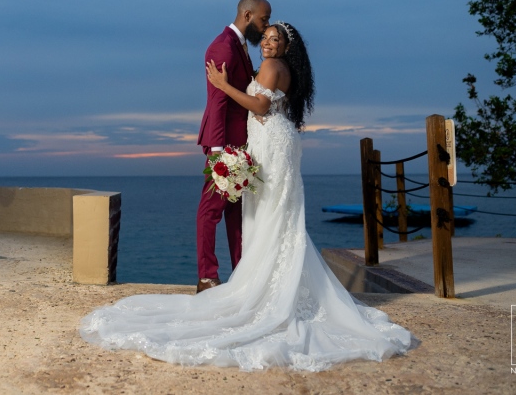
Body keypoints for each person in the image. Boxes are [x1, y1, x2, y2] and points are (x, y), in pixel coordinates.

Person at [79, 22, 414, 371]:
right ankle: (269, 282)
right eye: (265, 38)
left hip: (271, 144)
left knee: (269, 214)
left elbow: (260, 106)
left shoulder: (272, 67)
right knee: (274, 215)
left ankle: (264, 289)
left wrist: (223, 85)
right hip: (272, 143)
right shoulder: (277, 67)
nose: (267, 43)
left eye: (275, 39)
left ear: (286, 46)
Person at [195, 0, 271, 293]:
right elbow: (218, 103)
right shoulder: (223, 47)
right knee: (210, 210)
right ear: (248, 15)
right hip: (224, 146)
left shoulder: (238, 45)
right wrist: (217, 153)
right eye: (264, 19)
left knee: (235, 213)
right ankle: (206, 277)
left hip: (240, 144)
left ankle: (241, 273)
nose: (265, 27)